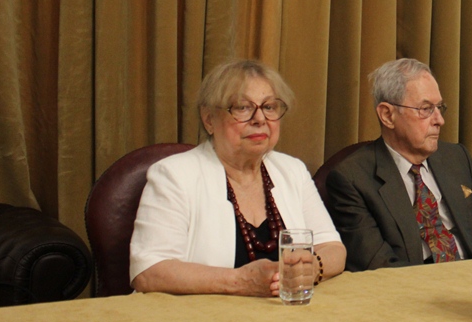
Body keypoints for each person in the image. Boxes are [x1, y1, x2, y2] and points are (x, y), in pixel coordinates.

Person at [129, 59, 346, 296]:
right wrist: (240, 281)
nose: (260, 119)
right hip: (199, 314)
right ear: (209, 119)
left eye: (269, 107)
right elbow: (149, 272)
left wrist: (313, 268)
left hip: (282, 312)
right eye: (243, 107)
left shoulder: (292, 170)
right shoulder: (174, 175)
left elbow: (333, 248)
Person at [326, 58, 472, 271]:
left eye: (439, 108)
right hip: (413, 285)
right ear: (387, 115)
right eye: (426, 109)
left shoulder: (457, 158)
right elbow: (379, 266)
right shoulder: (352, 179)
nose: (439, 120)